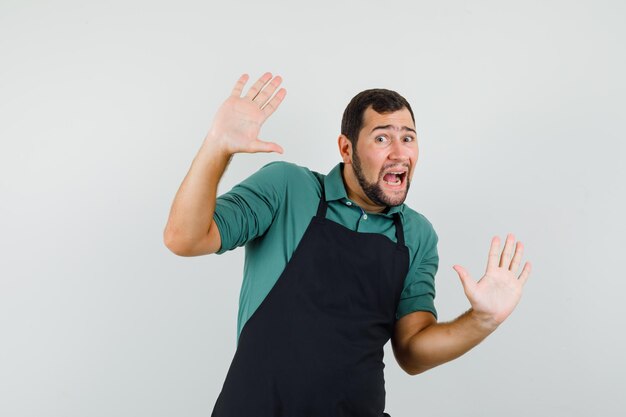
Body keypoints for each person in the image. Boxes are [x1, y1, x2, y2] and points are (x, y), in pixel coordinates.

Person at [163, 72, 532, 417]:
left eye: (408, 137)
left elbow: (413, 352)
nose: (400, 153)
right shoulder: (289, 188)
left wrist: (483, 320)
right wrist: (218, 146)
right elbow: (185, 237)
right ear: (346, 148)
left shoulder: (417, 234)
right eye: (382, 138)